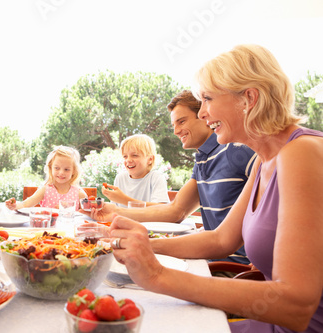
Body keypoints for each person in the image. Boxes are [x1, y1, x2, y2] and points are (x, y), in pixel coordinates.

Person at [109, 44, 323, 332]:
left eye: (207, 99)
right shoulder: (265, 160)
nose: (204, 113)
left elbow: (295, 305)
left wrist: (157, 275)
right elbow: (221, 239)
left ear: (249, 98)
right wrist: (141, 248)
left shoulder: (302, 153)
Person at [89, 90, 256, 264]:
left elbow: (277, 195)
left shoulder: (236, 149)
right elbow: (176, 210)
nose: (176, 131)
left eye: (182, 121)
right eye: (173, 125)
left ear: (205, 116)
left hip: (232, 268)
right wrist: (115, 212)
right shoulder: (202, 160)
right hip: (210, 259)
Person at [5, 146, 87, 210]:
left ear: (74, 171)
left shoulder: (79, 194)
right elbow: (25, 204)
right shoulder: (45, 190)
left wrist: (67, 210)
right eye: (57, 168)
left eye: (66, 169)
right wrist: (15, 205)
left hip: (69, 230)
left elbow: (85, 215)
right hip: (46, 230)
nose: (61, 172)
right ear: (50, 168)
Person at [102, 134, 170, 207]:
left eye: (135, 155)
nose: (128, 160)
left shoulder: (156, 178)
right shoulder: (120, 178)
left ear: (150, 159)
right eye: (125, 156)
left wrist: (124, 200)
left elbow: (161, 209)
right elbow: (114, 209)